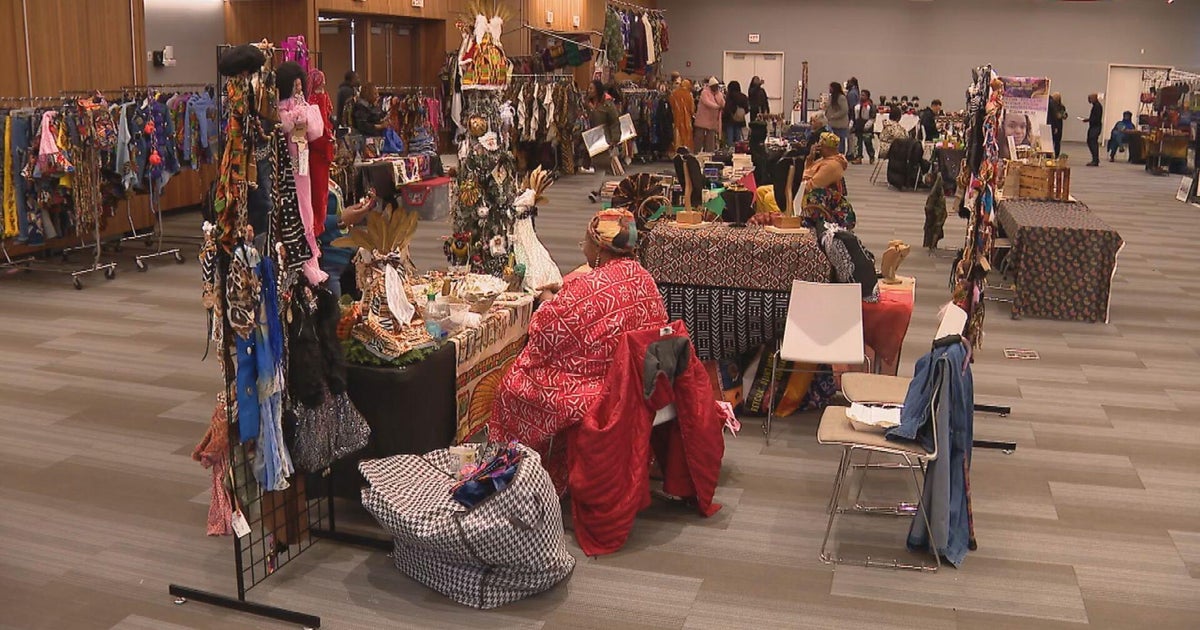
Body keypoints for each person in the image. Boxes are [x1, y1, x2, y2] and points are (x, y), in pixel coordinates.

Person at [488, 208, 668, 492]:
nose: (583, 248)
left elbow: (543, 331)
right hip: (639, 381)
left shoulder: (590, 287)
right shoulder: (643, 277)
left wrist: (547, 299)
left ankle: (520, 475)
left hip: (600, 386)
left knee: (512, 385)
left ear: (599, 248)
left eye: (585, 242)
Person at [319, 184, 374, 299]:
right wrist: (341, 219)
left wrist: (354, 213)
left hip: (343, 257)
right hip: (327, 263)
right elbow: (307, 222)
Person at [796, 131, 854, 229]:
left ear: (827, 148)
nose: (818, 149)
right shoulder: (826, 159)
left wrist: (794, 185)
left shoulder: (831, 166)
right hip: (806, 191)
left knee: (772, 197)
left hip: (812, 199)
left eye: (820, 146)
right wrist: (810, 159)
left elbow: (811, 186)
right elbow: (808, 172)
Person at [588, 79, 623, 176]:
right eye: (589, 88)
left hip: (604, 139)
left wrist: (615, 139)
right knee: (595, 167)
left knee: (602, 167)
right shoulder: (586, 103)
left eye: (591, 88)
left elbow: (614, 121)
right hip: (591, 140)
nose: (589, 90)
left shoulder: (607, 104)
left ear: (597, 90)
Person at [694, 77, 725, 152]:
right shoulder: (704, 93)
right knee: (699, 140)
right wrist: (717, 107)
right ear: (711, 86)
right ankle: (696, 154)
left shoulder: (718, 94)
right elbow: (707, 102)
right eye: (715, 86)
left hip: (712, 122)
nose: (716, 87)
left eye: (717, 86)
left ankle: (710, 155)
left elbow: (722, 103)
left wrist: (721, 102)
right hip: (702, 121)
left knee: (710, 141)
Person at [852, 89, 877, 164]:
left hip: (867, 128)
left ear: (867, 96)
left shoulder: (871, 106)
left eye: (863, 95)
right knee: (858, 143)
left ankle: (871, 156)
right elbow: (854, 116)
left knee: (868, 142)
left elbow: (872, 117)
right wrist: (852, 124)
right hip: (858, 126)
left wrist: (867, 125)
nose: (861, 96)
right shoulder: (857, 106)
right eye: (861, 95)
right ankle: (858, 157)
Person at [824, 81, 850, 155]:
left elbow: (844, 110)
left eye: (831, 88)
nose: (829, 89)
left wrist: (833, 116)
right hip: (832, 124)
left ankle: (840, 154)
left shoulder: (841, 98)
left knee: (840, 141)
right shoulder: (831, 97)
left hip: (840, 124)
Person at [670, 78, 695, 151]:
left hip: (676, 118)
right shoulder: (689, 94)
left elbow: (671, 106)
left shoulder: (674, 93)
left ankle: (677, 150)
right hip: (686, 119)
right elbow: (692, 109)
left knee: (677, 135)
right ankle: (687, 150)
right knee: (687, 135)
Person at [722, 80, 750, 145]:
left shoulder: (730, 96)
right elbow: (747, 108)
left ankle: (730, 148)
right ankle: (738, 149)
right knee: (738, 137)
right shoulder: (743, 96)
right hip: (740, 120)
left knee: (730, 137)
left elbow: (727, 108)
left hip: (730, 119)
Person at [1081, 93, 1103, 166]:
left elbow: (1096, 118)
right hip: (1094, 126)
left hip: (1095, 127)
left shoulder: (1097, 106)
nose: (1089, 100)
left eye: (1090, 98)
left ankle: (1095, 160)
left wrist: (1088, 120)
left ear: (1094, 98)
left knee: (1093, 142)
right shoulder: (1095, 106)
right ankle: (1095, 159)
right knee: (1090, 141)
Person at [1048, 92, 1067, 157]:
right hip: (1052, 125)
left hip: (1059, 125)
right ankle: (1049, 155)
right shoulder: (1050, 105)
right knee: (1051, 141)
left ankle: (1056, 155)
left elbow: (1064, 114)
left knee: (1057, 141)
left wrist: (1063, 115)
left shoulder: (1061, 106)